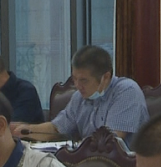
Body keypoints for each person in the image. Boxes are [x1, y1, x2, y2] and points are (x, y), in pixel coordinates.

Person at [14, 45, 149, 141]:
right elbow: (56, 129)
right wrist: (26, 130)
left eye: (84, 80)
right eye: (75, 79)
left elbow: (110, 142)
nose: (77, 85)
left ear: (106, 77)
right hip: (89, 164)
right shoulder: (79, 97)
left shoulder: (126, 91)